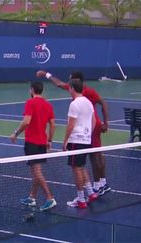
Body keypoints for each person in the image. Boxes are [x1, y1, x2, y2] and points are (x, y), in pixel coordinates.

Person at [36, 70, 111, 195]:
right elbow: (59, 84)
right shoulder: (75, 90)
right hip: (88, 127)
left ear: (76, 82)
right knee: (92, 156)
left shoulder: (88, 92)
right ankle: (98, 184)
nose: (68, 82)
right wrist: (47, 74)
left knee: (96, 156)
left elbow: (103, 103)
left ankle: (101, 184)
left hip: (92, 126)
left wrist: (106, 122)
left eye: (70, 79)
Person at [10, 81, 56, 211]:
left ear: (31, 90)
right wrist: (50, 140)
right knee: (36, 171)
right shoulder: (48, 105)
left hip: (32, 143)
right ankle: (32, 197)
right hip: (42, 143)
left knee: (36, 172)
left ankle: (50, 198)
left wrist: (15, 133)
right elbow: (53, 125)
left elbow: (26, 121)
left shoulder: (30, 103)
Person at [63, 78, 99, 208]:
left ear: (72, 88)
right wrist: (88, 135)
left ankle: (80, 199)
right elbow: (94, 121)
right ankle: (90, 193)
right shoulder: (88, 102)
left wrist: (65, 141)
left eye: (69, 88)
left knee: (76, 169)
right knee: (82, 166)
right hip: (86, 140)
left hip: (75, 141)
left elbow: (71, 124)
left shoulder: (74, 104)